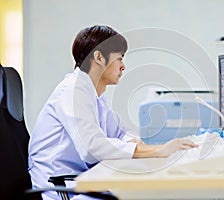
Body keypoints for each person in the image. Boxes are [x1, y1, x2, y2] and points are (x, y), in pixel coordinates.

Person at [28, 25, 198, 200]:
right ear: (99, 57)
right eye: (119, 58)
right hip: (61, 189)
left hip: (78, 181)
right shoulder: (73, 90)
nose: (123, 66)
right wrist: (156, 151)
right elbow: (92, 148)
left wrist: (146, 147)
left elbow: (119, 132)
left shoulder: (93, 94)